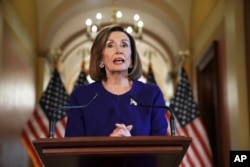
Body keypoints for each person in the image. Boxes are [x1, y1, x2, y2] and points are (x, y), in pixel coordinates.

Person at [65, 24, 168, 166]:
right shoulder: (82, 97)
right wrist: (110, 146)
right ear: (100, 58)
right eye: (110, 45)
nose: (119, 50)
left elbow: (161, 150)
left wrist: (130, 145)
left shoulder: (151, 95)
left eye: (124, 45)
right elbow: (72, 151)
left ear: (131, 59)